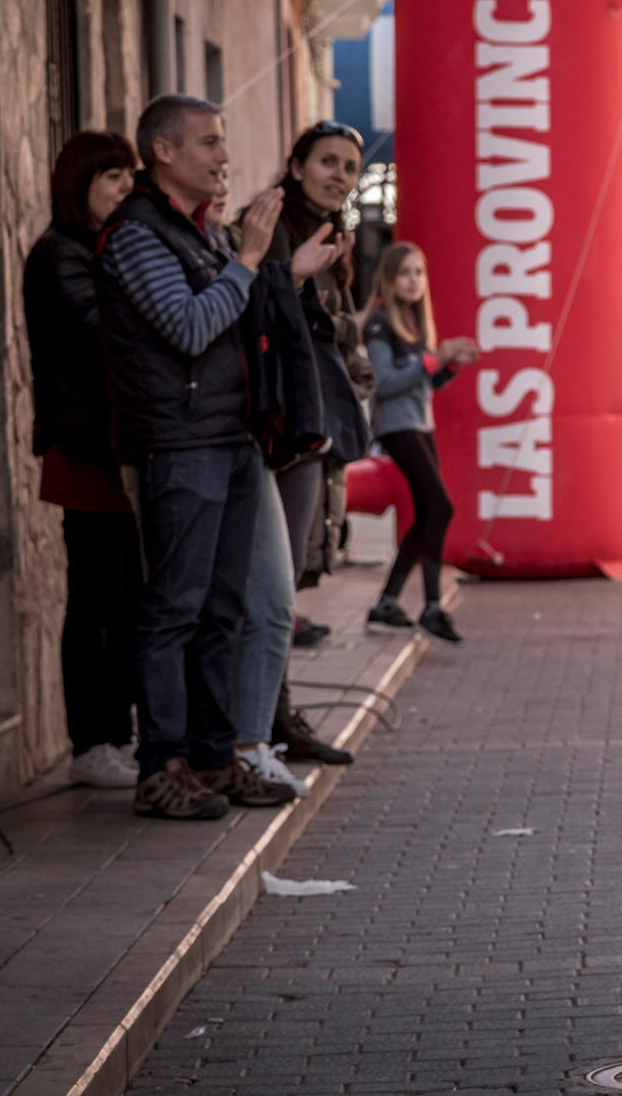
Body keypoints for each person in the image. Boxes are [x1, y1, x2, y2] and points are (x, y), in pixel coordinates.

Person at [97, 95, 305, 818]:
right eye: (210, 143)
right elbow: (190, 327)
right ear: (164, 151)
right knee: (174, 610)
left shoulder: (202, 233)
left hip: (231, 436)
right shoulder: (135, 235)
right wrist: (249, 257)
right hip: (179, 442)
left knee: (225, 609)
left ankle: (215, 761)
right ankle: (161, 767)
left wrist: (276, 269)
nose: (224, 156)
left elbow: (240, 317)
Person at [23, 131, 142, 790]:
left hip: (116, 443)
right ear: (80, 185)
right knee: (97, 595)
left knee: (125, 594)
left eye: (129, 175)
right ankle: (91, 742)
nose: (126, 186)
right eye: (111, 177)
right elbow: (104, 333)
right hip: (87, 447)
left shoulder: (98, 248)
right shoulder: (60, 256)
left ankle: (115, 733)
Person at [260, 122, 373, 767]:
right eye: (327, 161)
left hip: (319, 430)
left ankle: (275, 718)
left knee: (290, 581)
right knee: (273, 588)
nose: (339, 174)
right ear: (296, 163)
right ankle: (269, 724)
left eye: (351, 167)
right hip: (288, 432)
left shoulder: (333, 238)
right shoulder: (277, 225)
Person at [364, 243, 478, 643]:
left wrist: (450, 366)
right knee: (440, 507)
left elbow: (423, 383)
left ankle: (390, 602)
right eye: (405, 273)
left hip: (419, 422)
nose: (414, 281)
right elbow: (386, 383)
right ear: (389, 278)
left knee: (432, 511)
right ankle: (430, 605)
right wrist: (433, 359)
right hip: (398, 427)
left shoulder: (414, 323)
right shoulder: (381, 323)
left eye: (419, 272)